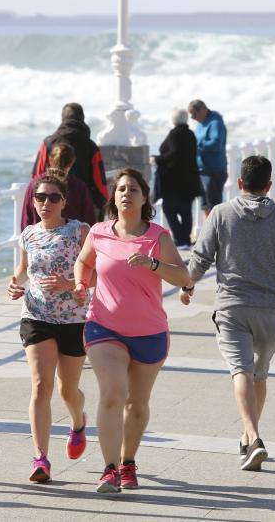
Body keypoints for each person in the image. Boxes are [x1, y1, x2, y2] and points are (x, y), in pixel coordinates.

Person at [181, 155, 275, 472]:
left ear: (239, 183)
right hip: (269, 312)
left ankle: (252, 436)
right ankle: (247, 440)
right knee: (258, 375)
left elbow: (200, 259)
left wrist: (187, 286)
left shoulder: (221, 215)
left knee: (241, 373)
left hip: (232, 308)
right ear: (269, 185)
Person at [73, 168, 191, 494]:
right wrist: (82, 283)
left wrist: (153, 264)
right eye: (121, 189)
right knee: (113, 393)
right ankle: (109, 469)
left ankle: (128, 461)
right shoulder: (98, 232)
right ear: (113, 196)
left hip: (149, 333)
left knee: (136, 405)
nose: (126, 193)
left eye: (133, 189)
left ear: (144, 197)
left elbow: (184, 277)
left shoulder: (157, 237)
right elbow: (83, 262)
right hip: (104, 326)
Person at [8, 174, 91, 483]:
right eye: (41, 197)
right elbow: (21, 269)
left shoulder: (79, 231)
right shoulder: (28, 234)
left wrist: (71, 284)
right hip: (36, 315)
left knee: (67, 389)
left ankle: (78, 421)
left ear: (64, 201)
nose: (46, 203)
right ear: (34, 201)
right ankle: (40, 458)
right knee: (41, 385)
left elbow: (98, 273)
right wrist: (15, 283)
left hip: (73, 318)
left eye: (53, 197)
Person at [31, 102, 108, 222]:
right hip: (84, 204)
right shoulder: (91, 146)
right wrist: (102, 205)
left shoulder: (48, 143)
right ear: (82, 119)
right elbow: (100, 183)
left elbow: (36, 176)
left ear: (62, 119)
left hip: (49, 204)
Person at [150, 108, 202, 249]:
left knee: (169, 209)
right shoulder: (190, 134)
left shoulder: (175, 134)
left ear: (174, 120)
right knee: (185, 211)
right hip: (189, 180)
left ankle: (181, 240)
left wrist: (157, 159)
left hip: (174, 181)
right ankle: (184, 240)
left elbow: (174, 153)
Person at [21, 142, 94, 231]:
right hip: (73, 240)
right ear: (72, 162)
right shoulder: (79, 186)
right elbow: (89, 219)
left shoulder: (35, 183)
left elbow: (26, 218)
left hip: (38, 239)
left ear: (50, 160)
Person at [188, 99, 228, 216]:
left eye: (194, 114)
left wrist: (197, 145)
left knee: (214, 206)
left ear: (203, 110)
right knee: (205, 204)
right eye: (191, 115)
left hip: (213, 171)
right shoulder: (201, 123)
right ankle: (210, 231)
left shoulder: (215, 123)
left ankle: (218, 232)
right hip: (202, 171)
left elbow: (216, 144)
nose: (193, 118)